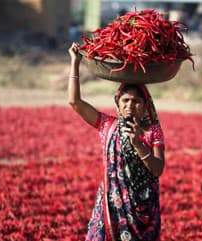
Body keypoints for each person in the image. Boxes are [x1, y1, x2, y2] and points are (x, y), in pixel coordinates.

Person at [68, 43, 166, 241]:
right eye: (125, 101)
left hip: (142, 212)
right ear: (118, 103)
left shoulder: (153, 131)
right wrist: (75, 62)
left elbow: (158, 169)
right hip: (111, 208)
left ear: (145, 105)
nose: (130, 106)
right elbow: (75, 103)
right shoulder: (107, 126)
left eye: (136, 102)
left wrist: (137, 142)